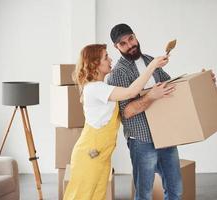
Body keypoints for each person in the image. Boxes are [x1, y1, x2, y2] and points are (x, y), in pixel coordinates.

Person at [63, 44, 174, 200]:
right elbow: (131, 91)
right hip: (90, 155)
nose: (110, 59)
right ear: (95, 63)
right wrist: (152, 66)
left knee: (97, 196)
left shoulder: (103, 87)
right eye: (105, 57)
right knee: (82, 196)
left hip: (102, 155)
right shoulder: (95, 88)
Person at [107, 24, 183, 200]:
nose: (130, 45)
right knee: (144, 194)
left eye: (131, 39)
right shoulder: (118, 73)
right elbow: (126, 112)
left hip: (165, 135)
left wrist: (200, 80)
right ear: (116, 47)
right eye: (123, 43)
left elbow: (172, 88)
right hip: (142, 140)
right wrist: (151, 97)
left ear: (135, 36)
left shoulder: (150, 61)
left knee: (175, 191)